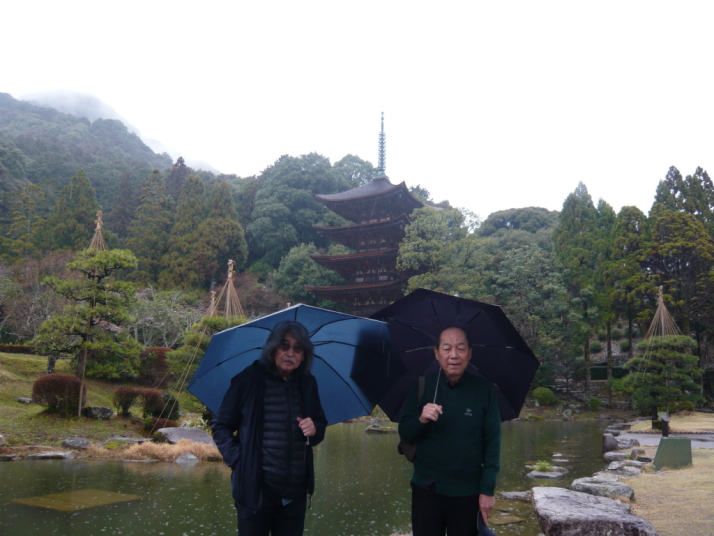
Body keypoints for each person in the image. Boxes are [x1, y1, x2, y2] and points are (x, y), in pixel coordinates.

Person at [212, 320, 327, 536]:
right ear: (273, 348)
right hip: (255, 493)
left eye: (298, 348)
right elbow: (221, 426)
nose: (290, 353)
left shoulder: (307, 383)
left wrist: (315, 428)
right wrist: (238, 461)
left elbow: (319, 425)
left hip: (294, 494)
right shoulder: (248, 380)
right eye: (285, 345)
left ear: (304, 355)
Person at [398, 326, 501, 536]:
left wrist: (487, 490)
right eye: (446, 348)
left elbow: (493, 444)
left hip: (468, 493)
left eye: (460, 348)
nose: (454, 355)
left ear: (469, 353)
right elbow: (405, 433)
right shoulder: (422, 386)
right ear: (437, 353)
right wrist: (421, 419)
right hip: (426, 490)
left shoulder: (484, 390)